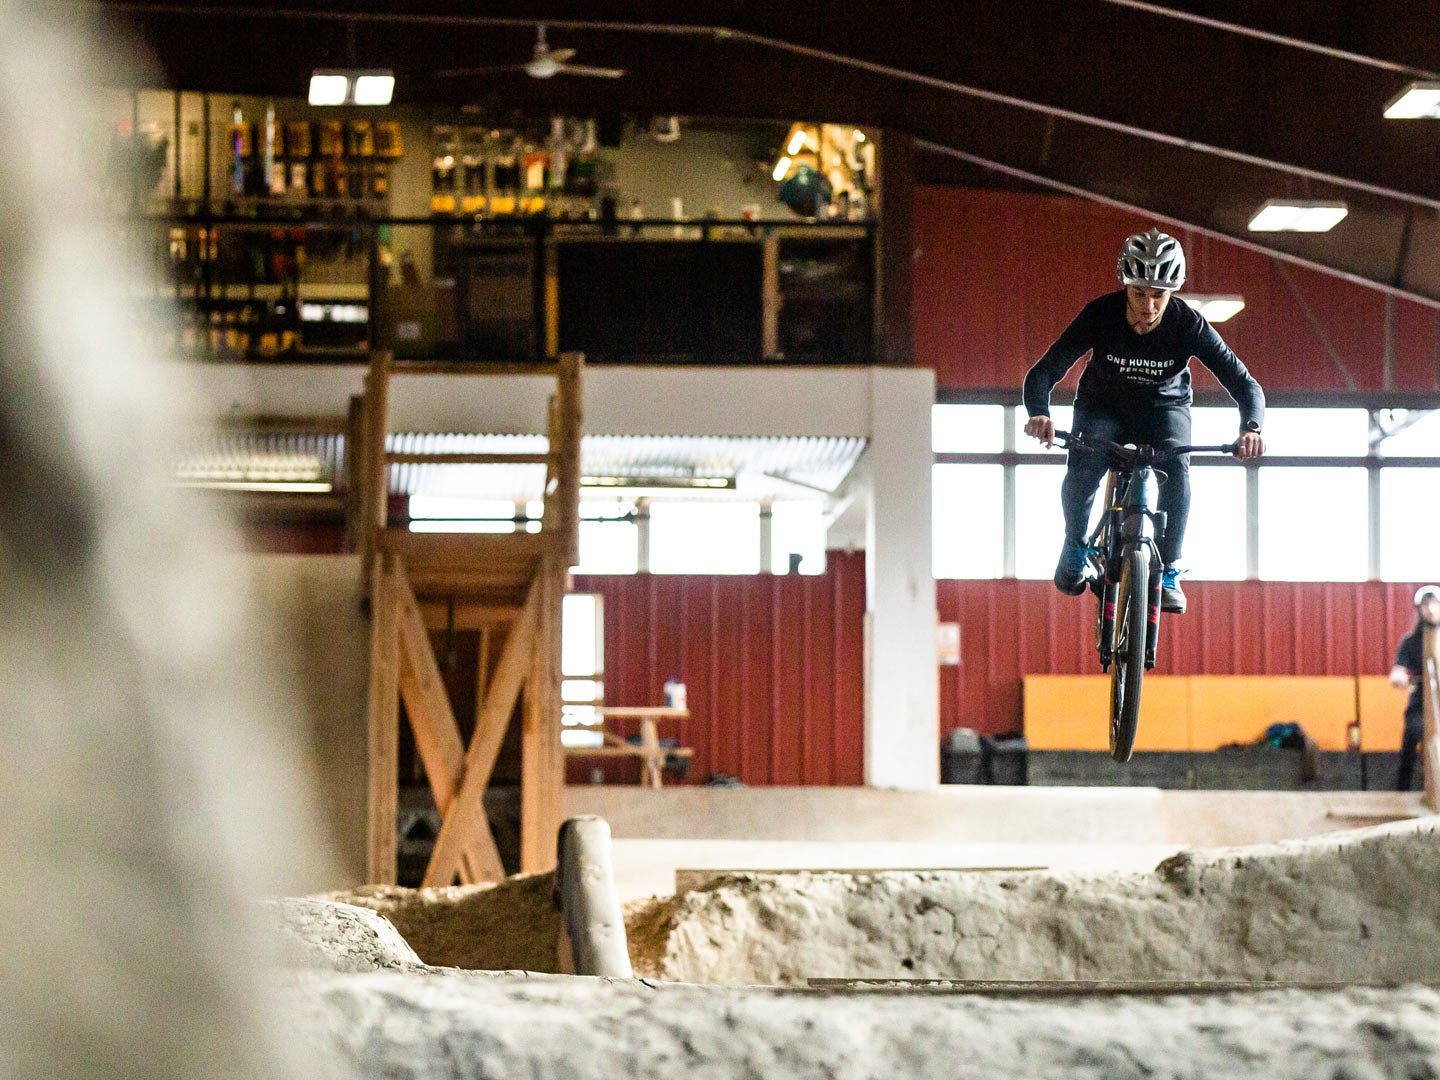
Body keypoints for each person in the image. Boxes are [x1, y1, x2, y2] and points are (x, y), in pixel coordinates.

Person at [1022, 228, 1266, 614]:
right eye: (1139, 294)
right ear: (1125, 286)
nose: (1149, 307)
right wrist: (1039, 413)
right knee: (1085, 465)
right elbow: (1043, 372)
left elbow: (1244, 384)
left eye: (1159, 296)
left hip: (1163, 409)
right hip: (1103, 405)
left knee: (1177, 470)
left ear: (1172, 293)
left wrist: (1251, 428)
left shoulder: (1189, 325)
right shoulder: (1100, 314)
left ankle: (1169, 569)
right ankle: (1074, 543)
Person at [1390, 586, 1440, 791]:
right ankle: (1403, 790)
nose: (1430, 609)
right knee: (1413, 732)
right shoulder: (1410, 641)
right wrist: (1398, 677)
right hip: (1421, 699)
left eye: (1434, 604)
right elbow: (1397, 670)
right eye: (1425, 605)